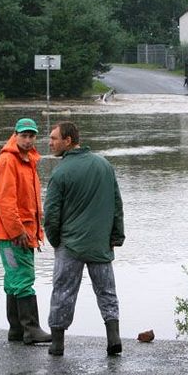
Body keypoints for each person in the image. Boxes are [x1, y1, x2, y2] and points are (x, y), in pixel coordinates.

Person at [45, 121, 125, 357]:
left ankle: (57, 344)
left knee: (63, 292)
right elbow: (116, 204)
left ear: (68, 141)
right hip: (100, 244)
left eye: (54, 138)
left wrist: (55, 241)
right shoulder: (104, 165)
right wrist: (116, 236)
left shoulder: (60, 172)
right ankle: (114, 339)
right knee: (107, 291)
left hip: (70, 245)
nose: (50, 143)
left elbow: (50, 215)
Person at [0, 118, 51, 345]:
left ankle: (17, 330)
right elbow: (5, 200)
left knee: (14, 279)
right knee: (23, 278)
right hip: (14, 234)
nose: (27, 140)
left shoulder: (28, 160)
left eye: (31, 136)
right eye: (23, 135)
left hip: (20, 232)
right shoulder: (9, 160)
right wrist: (17, 231)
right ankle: (31, 330)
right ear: (15, 135)